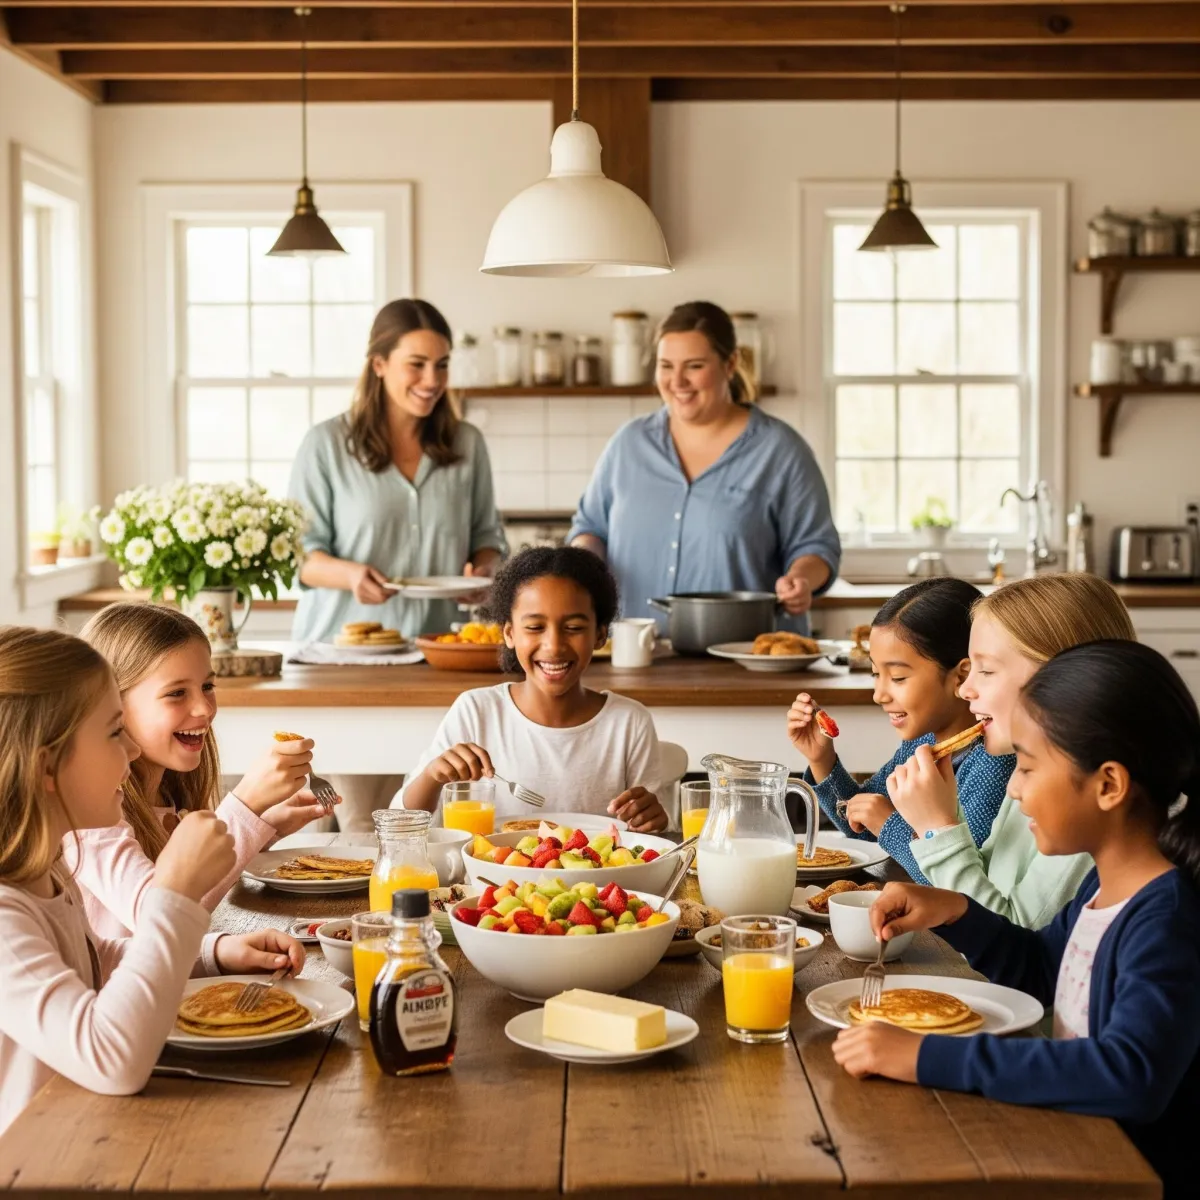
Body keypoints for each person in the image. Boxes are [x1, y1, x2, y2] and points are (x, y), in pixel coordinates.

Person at [833, 640, 1200, 1199]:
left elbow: (1130, 1073)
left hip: (1127, 1176)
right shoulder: (1105, 888)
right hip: (1076, 1145)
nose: (1013, 786)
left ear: (1108, 785)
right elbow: (1043, 968)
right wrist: (957, 912)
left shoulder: (1164, 918)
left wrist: (927, 1056)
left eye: (1027, 766)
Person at [0, 626, 303, 1137]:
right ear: (48, 765)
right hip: (36, 1162)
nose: (133, 752)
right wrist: (174, 893)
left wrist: (212, 954)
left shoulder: (48, 874)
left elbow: (95, 965)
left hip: (89, 1133)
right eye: (115, 732)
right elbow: (110, 1059)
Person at [288, 298, 508, 830]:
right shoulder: (326, 445)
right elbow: (301, 557)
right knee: (357, 824)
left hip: (436, 663)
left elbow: (488, 539)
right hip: (345, 666)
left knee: (418, 824)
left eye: (442, 364)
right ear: (379, 363)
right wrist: (350, 576)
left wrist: (482, 574)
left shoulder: (466, 444)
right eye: (417, 363)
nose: (432, 379)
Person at [569, 301, 840, 635]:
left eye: (694, 366)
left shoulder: (781, 452)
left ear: (730, 364)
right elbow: (591, 528)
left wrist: (801, 580)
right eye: (665, 366)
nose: (677, 381)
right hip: (636, 659)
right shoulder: (628, 445)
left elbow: (817, 547)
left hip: (745, 662)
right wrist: (579, 564)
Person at [72, 603, 333, 940]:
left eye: (207, 687)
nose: (204, 708)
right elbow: (163, 921)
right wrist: (245, 806)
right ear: (112, 705)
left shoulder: (167, 794)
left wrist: (264, 825)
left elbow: (194, 889)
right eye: (177, 693)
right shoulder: (90, 819)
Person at [887, 573, 1135, 927]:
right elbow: (991, 882)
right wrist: (945, 816)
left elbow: (1014, 941)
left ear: (1065, 678)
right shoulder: (1028, 769)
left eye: (986, 670)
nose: (965, 690)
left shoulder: (1094, 798)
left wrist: (937, 829)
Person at [395, 547, 668, 832]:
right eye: (535, 627)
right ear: (509, 633)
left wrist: (652, 819)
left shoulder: (629, 722)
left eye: (573, 627)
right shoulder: (476, 711)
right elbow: (401, 825)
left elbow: (653, 837)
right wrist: (432, 777)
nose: (553, 646)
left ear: (600, 635)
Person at [787, 579, 1013, 883]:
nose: (879, 694)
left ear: (961, 677)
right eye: (875, 674)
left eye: (897, 677)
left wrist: (888, 823)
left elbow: (959, 882)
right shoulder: (923, 743)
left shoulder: (994, 761)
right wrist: (822, 761)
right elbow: (861, 824)